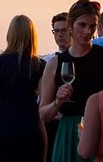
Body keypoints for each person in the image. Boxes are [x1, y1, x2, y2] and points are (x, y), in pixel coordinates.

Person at [39, 0, 103, 162]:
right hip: (68, 133)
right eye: (82, 25)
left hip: (102, 130)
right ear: (71, 24)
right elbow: (43, 114)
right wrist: (58, 102)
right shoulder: (54, 63)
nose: (87, 31)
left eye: (92, 26)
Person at [0, 14, 47, 161]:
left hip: (4, 126)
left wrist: (1, 105)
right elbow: (44, 100)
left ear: (10, 34)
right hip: (31, 127)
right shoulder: (40, 65)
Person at [44, 12, 72, 159]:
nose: (60, 35)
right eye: (57, 31)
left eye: (64, 30)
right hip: (52, 124)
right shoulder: (47, 62)